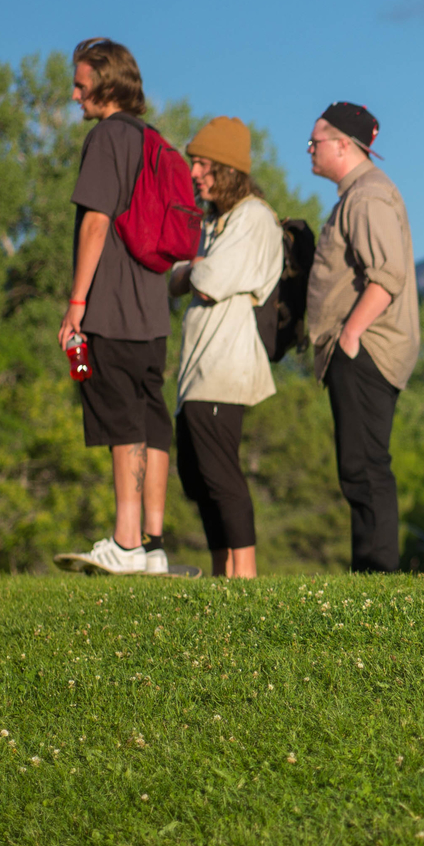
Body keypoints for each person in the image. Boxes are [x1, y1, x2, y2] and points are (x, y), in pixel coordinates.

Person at [55, 38, 176, 576]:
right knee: (151, 418)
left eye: (81, 85)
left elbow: (96, 220)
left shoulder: (107, 138)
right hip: (153, 311)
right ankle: (152, 544)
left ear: (105, 85)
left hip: (112, 307)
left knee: (120, 419)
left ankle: (124, 544)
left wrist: (76, 302)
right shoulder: (155, 140)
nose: (74, 95)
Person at [304, 100, 419, 573]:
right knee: (359, 465)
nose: (309, 149)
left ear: (343, 145)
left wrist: (350, 336)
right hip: (362, 350)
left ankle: (378, 575)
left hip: (366, 349)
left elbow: (386, 275)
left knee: (365, 467)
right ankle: (371, 573)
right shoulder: (357, 195)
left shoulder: (367, 196)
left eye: (315, 141)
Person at [169, 117, 283, 578]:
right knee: (199, 479)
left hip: (226, 368)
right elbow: (175, 278)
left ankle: (245, 577)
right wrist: (191, 270)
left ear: (229, 168)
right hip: (197, 371)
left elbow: (208, 280)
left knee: (222, 477)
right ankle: (222, 575)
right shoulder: (218, 221)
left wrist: (193, 269)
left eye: (203, 165)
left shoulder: (254, 217)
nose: (194, 174)